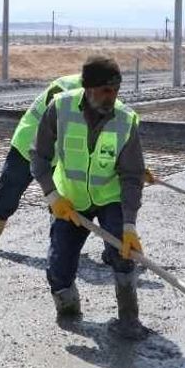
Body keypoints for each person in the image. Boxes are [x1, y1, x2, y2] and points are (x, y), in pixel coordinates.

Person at [31, 56, 149, 340]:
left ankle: (129, 320)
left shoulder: (125, 120)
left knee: (124, 253)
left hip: (109, 197)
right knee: (60, 264)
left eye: (116, 90)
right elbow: (39, 156)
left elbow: (132, 176)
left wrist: (129, 225)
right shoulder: (60, 108)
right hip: (68, 200)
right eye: (105, 91)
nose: (112, 97)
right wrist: (52, 196)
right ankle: (69, 315)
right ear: (88, 87)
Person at [0, 73, 81, 252]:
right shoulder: (68, 89)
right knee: (8, 192)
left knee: (62, 199)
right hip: (26, 145)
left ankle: (59, 243)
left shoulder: (94, 94)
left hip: (56, 154)